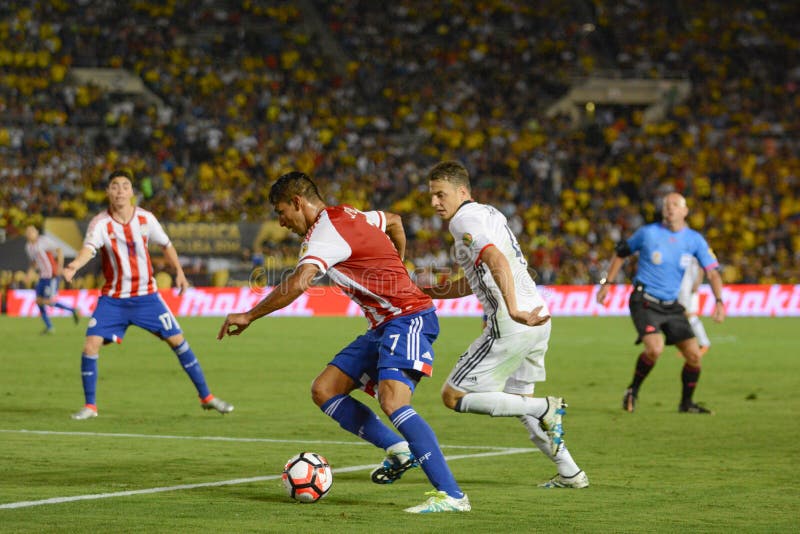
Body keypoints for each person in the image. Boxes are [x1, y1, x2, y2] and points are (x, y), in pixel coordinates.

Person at [217, 171, 470, 513]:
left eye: (281, 212)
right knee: (325, 389)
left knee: (393, 401)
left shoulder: (324, 232)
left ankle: (453, 495)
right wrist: (395, 263)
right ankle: (399, 449)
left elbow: (299, 282)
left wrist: (249, 315)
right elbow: (393, 221)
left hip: (408, 316)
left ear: (297, 202)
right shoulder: (349, 214)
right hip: (383, 324)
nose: (281, 222)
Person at [420, 160, 589, 489]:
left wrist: (511, 309)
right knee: (520, 403)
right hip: (539, 318)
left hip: (513, 322)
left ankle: (547, 407)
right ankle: (571, 472)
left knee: (453, 396)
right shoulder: (490, 214)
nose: (434, 203)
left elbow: (497, 260)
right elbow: (478, 277)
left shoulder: (463, 221)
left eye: (440, 195)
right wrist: (430, 291)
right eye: (431, 196)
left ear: (462, 192)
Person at [62, 169, 233, 420]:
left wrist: (180, 273)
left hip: (147, 297)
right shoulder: (100, 223)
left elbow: (166, 245)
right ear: (108, 192)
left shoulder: (145, 219)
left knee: (178, 342)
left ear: (132, 192)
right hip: (114, 299)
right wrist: (74, 265)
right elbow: (89, 249)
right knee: (90, 345)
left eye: (125, 186)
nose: (120, 190)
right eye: (114, 186)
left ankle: (206, 397)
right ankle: (90, 407)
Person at [596, 192, 725, 414]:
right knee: (655, 349)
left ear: (685, 211)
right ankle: (632, 391)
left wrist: (719, 301)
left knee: (694, 357)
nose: (669, 208)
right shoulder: (648, 233)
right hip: (644, 299)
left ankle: (686, 404)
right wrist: (607, 282)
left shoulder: (694, 240)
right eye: (666, 205)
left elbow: (712, 273)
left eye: (675, 204)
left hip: (671, 304)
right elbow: (620, 253)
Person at [24, 224, 79, 334]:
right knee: (39, 302)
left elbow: (59, 250)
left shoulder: (43, 241)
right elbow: (34, 262)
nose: (30, 233)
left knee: (49, 301)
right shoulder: (28, 247)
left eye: (32, 231)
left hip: (52, 275)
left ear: (37, 232)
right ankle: (49, 327)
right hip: (42, 276)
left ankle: (73, 310)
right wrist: (29, 273)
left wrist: (60, 267)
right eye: (28, 232)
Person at [678, 257, 711, 355]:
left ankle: (704, 344)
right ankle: (689, 347)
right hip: (681, 289)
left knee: (691, 316)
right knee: (683, 317)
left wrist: (698, 281)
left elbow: (701, 267)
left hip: (690, 289)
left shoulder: (694, 249)